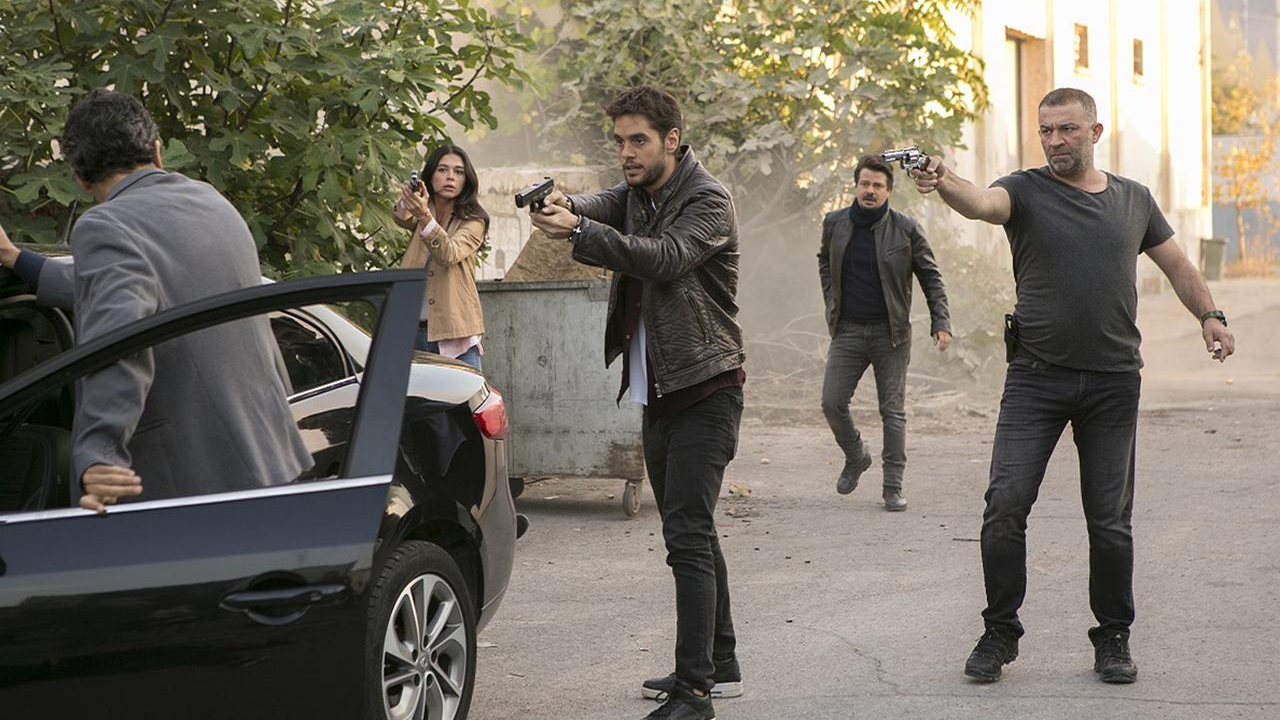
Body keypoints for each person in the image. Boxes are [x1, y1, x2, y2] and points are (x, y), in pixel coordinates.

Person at [910, 87, 1236, 685]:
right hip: (1036, 378)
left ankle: (1113, 637)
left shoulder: (1134, 199)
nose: (1055, 141)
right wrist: (943, 177)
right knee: (1004, 507)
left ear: (1095, 132)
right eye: (1046, 131)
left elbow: (1178, 266)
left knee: (1109, 520)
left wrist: (1210, 315)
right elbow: (980, 204)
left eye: (1067, 129)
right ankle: (999, 633)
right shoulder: (1024, 190)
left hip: (1114, 381)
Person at [529, 85, 744, 720]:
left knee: (686, 535)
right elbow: (598, 203)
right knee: (693, 528)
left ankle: (695, 691)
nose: (626, 152)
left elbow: (665, 257)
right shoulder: (637, 193)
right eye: (620, 141)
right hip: (659, 389)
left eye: (638, 141)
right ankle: (719, 661)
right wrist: (564, 204)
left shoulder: (707, 199)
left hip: (707, 387)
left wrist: (580, 229)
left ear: (671, 140)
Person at [0, 88, 311, 513]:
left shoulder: (108, 226)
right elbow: (142, 285)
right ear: (157, 151)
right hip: (269, 461)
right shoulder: (212, 203)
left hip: (191, 487)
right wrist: (16, 259)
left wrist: (98, 453)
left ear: (77, 175)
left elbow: (119, 341)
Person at [818, 154, 951, 511]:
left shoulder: (905, 229)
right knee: (832, 402)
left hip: (891, 334)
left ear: (889, 191)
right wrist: (831, 299)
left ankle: (893, 486)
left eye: (878, 185)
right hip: (847, 330)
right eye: (865, 183)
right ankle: (856, 456)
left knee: (892, 412)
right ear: (856, 186)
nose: (870, 191)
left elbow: (930, 276)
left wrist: (941, 321)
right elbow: (824, 261)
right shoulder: (835, 223)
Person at [393, 144, 488, 371]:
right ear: (430, 176)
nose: (450, 177)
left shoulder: (474, 220)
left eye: (458, 172)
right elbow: (401, 217)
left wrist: (425, 216)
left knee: (464, 394)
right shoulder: (424, 209)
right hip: (412, 328)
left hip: (455, 336)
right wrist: (411, 198)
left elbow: (449, 254)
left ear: (466, 179)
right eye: (442, 170)